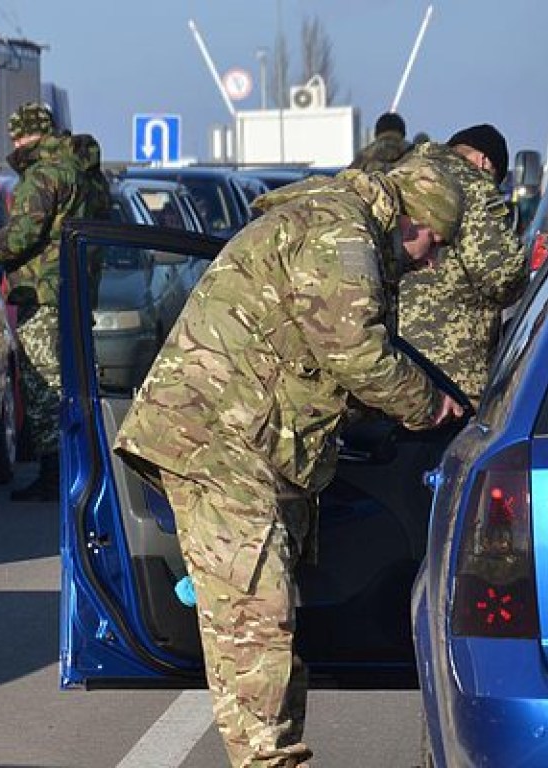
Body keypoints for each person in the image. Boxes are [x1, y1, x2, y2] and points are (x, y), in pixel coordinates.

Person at [113, 157, 467, 768]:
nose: (430, 261)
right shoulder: (340, 229)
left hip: (247, 443)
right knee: (255, 616)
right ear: (411, 218)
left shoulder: (344, 227)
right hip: (217, 440)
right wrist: (430, 406)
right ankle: (268, 762)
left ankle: (273, 754)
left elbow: (325, 359)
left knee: (269, 617)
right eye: (433, 243)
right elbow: (356, 353)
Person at [0, 102, 111, 502]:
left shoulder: (42, 176)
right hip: (78, 290)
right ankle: (80, 466)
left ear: (21, 136)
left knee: (42, 384)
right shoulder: (85, 173)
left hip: (44, 293)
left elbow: (20, 238)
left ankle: (56, 474)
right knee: (73, 382)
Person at [398, 124, 528, 405]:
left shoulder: (404, 173)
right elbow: (503, 274)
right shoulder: (474, 186)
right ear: (484, 161)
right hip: (451, 369)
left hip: (393, 362)